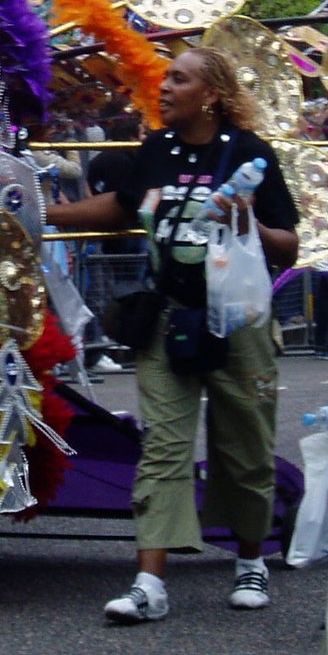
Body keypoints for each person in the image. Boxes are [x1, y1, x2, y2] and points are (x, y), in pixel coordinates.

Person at [48, 47, 299, 622]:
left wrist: (251, 224)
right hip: (168, 319)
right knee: (162, 447)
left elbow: (290, 245)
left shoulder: (251, 154)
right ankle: (149, 583)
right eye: (165, 77)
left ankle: (250, 560)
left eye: (178, 80)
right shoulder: (156, 149)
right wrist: (42, 213)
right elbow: (122, 206)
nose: (162, 88)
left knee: (245, 449)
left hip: (239, 322)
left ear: (211, 94)